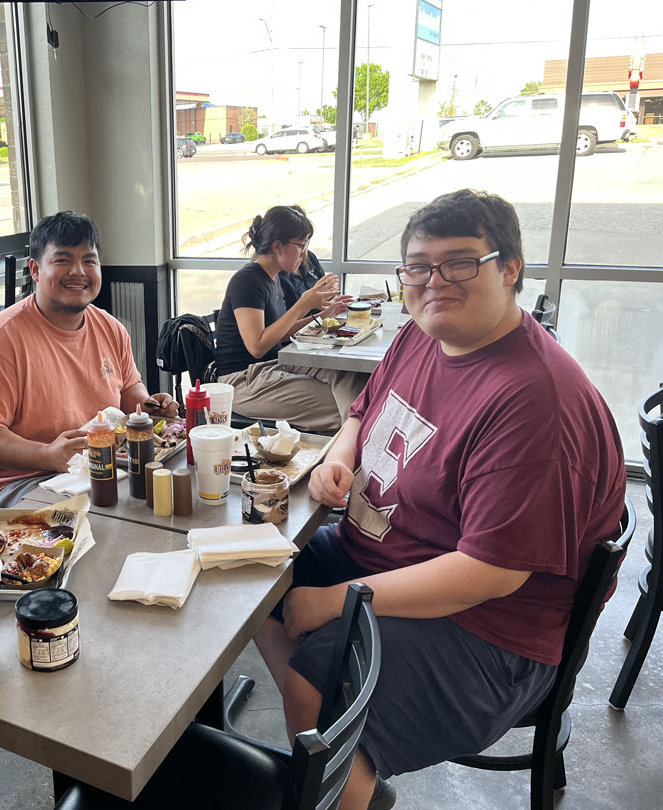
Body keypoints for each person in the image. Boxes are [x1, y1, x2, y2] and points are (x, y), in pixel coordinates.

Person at [256, 189, 626, 810]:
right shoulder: (421, 336)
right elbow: (362, 412)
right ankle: (343, 765)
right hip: (387, 557)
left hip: (493, 630)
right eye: (419, 267)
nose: (435, 282)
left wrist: (337, 601)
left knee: (314, 681)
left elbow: (492, 572)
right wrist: (339, 458)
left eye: (459, 263)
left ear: (509, 268)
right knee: (254, 577)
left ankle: (335, 756)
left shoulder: (536, 401)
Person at [0, 210, 178, 508]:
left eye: (89, 261)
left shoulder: (111, 328)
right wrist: (46, 455)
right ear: (35, 270)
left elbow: (127, 389)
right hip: (14, 483)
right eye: (63, 260)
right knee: (111, 519)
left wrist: (146, 409)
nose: (78, 271)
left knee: (159, 496)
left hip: (91, 468)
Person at [214, 204, 366, 432]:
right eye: (301, 245)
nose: (305, 253)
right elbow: (257, 346)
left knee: (350, 378)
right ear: (278, 246)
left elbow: (281, 334)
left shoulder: (273, 277)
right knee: (343, 406)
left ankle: (353, 442)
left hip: (273, 365)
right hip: (243, 380)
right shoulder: (247, 280)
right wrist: (303, 304)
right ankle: (350, 445)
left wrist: (322, 315)